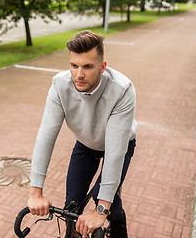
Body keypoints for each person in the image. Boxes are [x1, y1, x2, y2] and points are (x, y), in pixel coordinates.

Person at [27, 30, 137, 238]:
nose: (79, 74)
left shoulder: (122, 89)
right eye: (74, 65)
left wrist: (102, 210)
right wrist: (35, 192)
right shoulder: (60, 85)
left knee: (102, 195)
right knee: (72, 202)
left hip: (120, 145)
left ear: (102, 67)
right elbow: (45, 137)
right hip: (86, 144)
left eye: (87, 66)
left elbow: (114, 153)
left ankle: (118, 222)